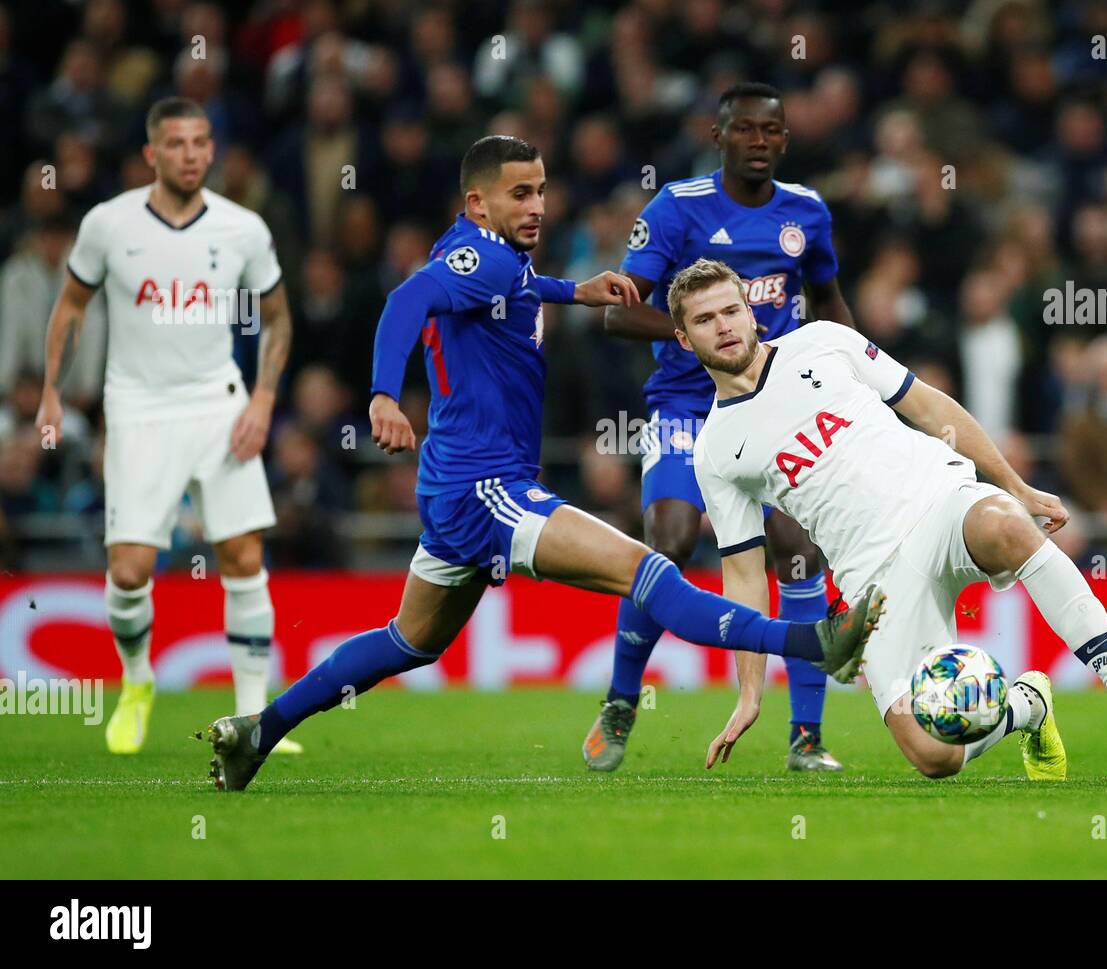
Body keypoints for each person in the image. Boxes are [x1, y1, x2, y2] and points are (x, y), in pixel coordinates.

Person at [203, 137, 884, 792]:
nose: (537, 206)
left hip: (452, 489)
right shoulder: (478, 258)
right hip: (488, 488)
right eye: (520, 193)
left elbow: (512, 285)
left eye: (542, 192)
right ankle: (814, 641)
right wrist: (383, 392)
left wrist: (573, 291)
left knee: (408, 642)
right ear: (478, 202)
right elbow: (407, 300)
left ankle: (258, 730)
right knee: (650, 572)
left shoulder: (495, 257)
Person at [666, 258, 1107, 781]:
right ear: (685, 339)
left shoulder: (824, 341)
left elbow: (930, 407)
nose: (724, 326)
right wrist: (749, 694)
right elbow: (746, 573)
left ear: (753, 314)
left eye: (732, 310)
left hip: (938, 500)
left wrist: (1014, 485)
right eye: (706, 319)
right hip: (873, 578)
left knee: (1005, 524)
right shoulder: (716, 451)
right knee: (933, 757)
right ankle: (1028, 707)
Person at [594, 82, 857, 772]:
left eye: (772, 132)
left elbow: (826, 297)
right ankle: (623, 698)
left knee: (798, 551)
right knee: (672, 540)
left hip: (780, 407)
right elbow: (618, 312)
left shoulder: (808, 212)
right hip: (686, 406)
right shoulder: (677, 208)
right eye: (745, 130)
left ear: (784, 140)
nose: (760, 142)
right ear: (719, 137)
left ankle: (806, 736)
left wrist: (854, 377)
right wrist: (697, 338)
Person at [35, 97, 299, 755]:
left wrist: (263, 400)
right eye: (177, 144)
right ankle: (137, 679)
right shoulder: (107, 224)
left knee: (242, 556)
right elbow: (70, 307)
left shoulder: (244, 228)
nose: (191, 154)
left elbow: (279, 318)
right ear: (152, 154)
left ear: (213, 150)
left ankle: (251, 718)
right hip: (139, 407)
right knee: (128, 570)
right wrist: (49, 393)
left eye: (201, 142)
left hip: (220, 403)